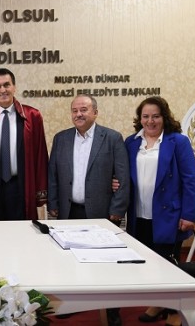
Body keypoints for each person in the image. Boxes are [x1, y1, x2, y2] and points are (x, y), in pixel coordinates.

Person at [47, 94, 130, 326]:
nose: (78, 114)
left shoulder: (112, 138)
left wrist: (117, 209)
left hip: (101, 214)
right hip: (69, 212)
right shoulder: (61, 138)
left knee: (106, 264)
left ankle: (111, 310)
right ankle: (69, 304)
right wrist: (53, 203)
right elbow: (52, 174)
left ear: (95, 112)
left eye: (83, 110)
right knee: (68, 261)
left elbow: (122, 177)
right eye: (74, 110)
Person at [124, 96, 195, 326]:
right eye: (145, 116)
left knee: (169, 264)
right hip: (139, 214)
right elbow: (123, 174)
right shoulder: (131, 142)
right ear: (140, 119)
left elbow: (190, 179)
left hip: (169, 216)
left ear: (164, 117)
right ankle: (158, 303)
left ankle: (175, 311)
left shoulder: (178, 141)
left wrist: (189, 214)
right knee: (149, 263)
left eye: (155, 116)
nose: (150, 121)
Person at [0, 68, 48, 220]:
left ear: (14, 87)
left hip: (21, 187)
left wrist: (40, 192)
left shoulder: (32, 116)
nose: (2, 90)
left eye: (6, 85)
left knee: (22, 231)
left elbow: (40, 155)